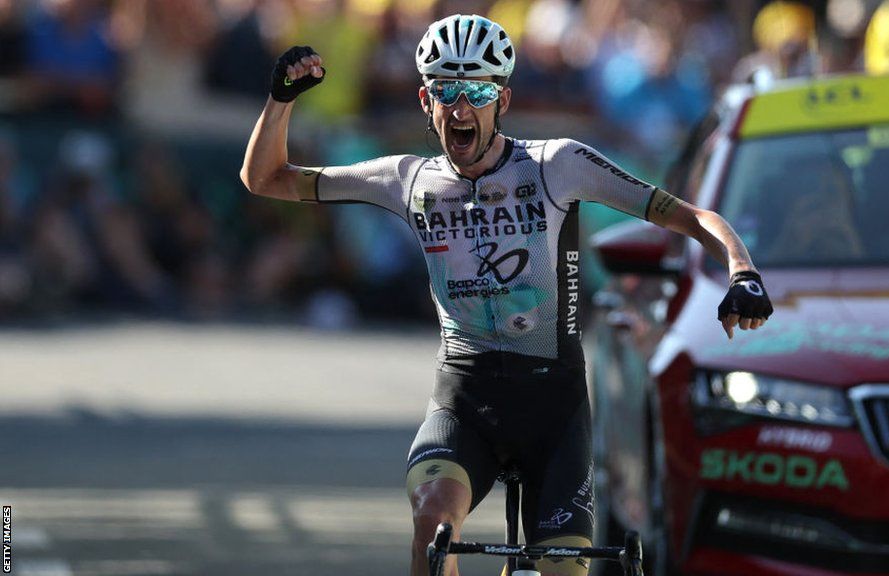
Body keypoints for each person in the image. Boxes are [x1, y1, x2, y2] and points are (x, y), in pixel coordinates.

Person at [240, 14, 773, 576]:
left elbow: (692, 217)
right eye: (447, 90)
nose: (460, 107)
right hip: (464, 400)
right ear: (425, 99)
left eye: (477, 91)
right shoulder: (407, 180)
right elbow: (265, 178)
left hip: (553, 409)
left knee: (562, 570)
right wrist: (280, 101)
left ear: (504, 99)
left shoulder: (557, 166)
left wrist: (742, 269)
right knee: (434, 521)